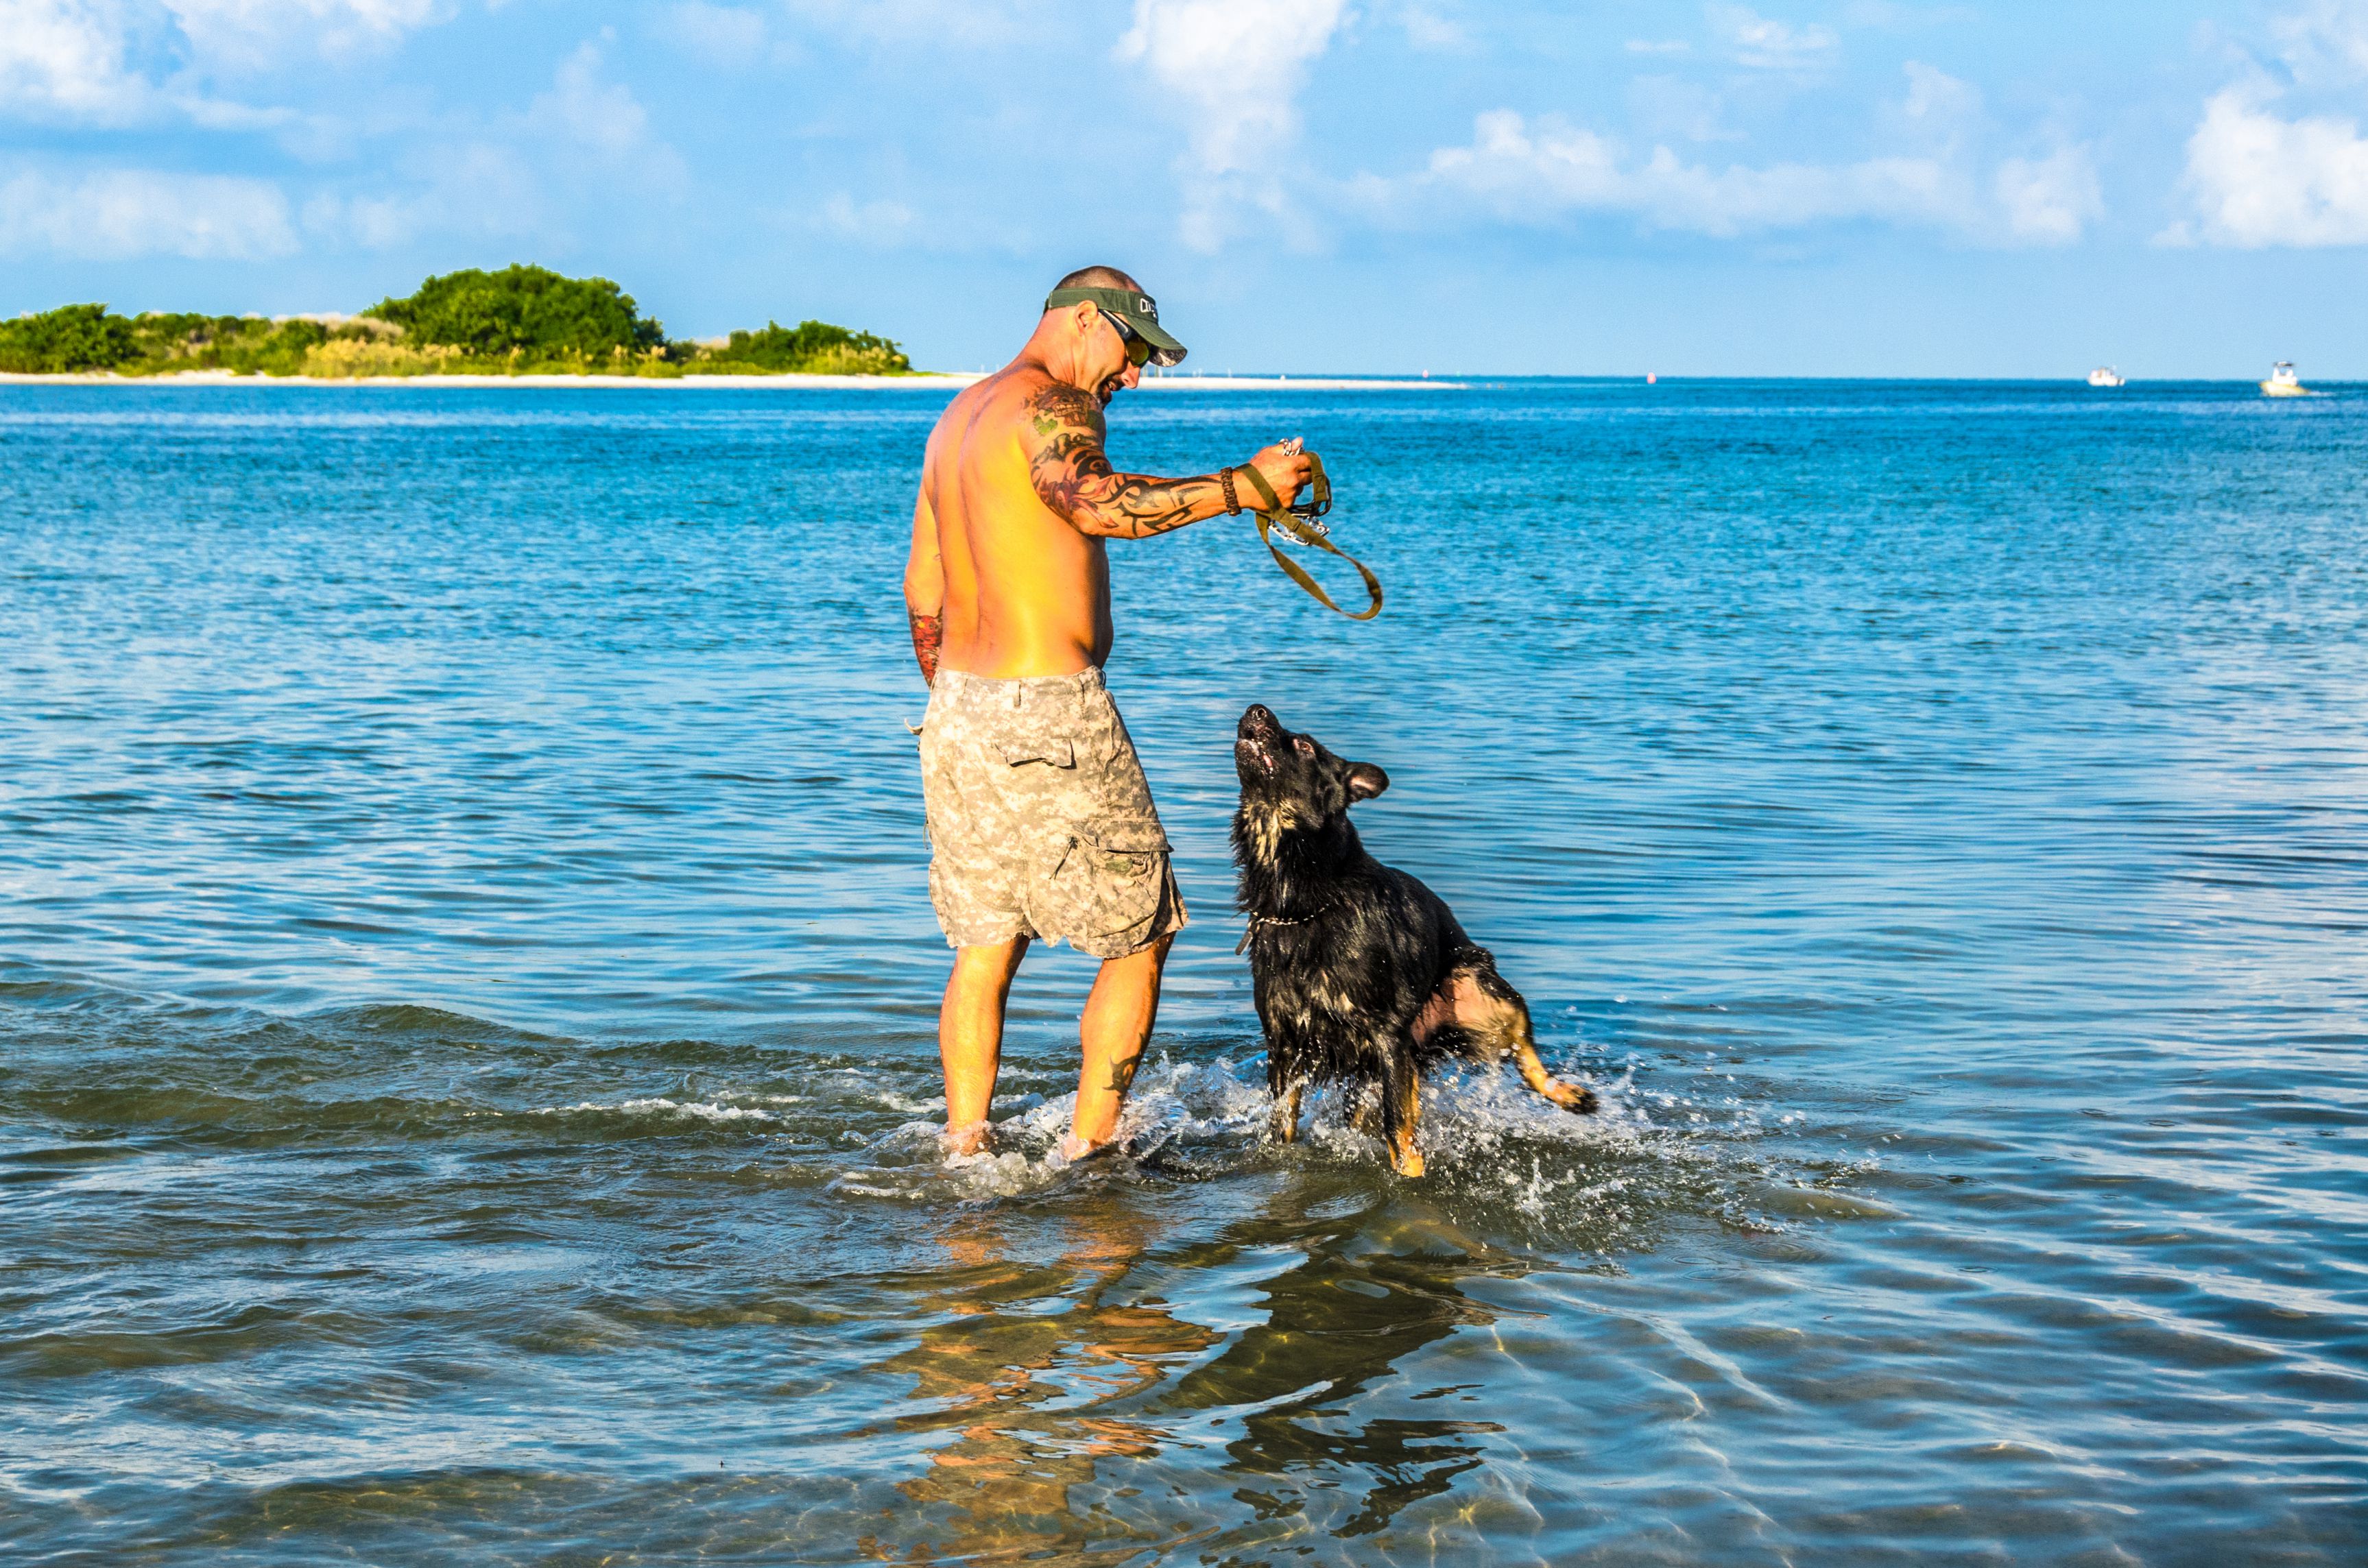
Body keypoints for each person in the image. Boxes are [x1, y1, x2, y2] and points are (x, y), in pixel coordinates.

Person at [902, 265, 1314, 1161]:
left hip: (957, 711)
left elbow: (924, 596)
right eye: (1130, 353)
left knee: (986, 941)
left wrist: (961, 709)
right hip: (1050, 708)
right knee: (1142, 933)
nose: (1131, 378)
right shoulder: (1054, 404)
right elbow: (1100, 506)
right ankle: (1089, 1153)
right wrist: (1245, 487)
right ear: (1085, 319)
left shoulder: (957, 418)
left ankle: (964, 1149)